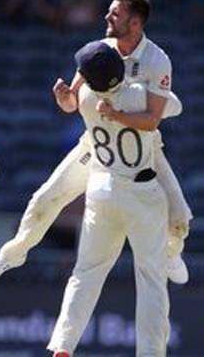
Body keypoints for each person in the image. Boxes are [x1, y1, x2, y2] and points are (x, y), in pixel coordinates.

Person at [0, 0, 192, 284]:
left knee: (180, 214)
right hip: (96, 145)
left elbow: (154, 118)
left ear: (135, 23)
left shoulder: (157, 60)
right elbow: (72, 103)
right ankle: (11, 255)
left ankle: (172, 254)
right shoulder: (99, 51)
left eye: (115, 13)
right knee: (47, 196)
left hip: (145, 150)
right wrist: (65, 98)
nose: (107, 16)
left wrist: (125, 109)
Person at [48, 40, 170, 356]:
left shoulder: (87, 100)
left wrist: (71, 98)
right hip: (141, 190)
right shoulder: (139, 95)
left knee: (85, 273)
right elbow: (168, 109)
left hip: (102, 189)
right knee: (151, 279)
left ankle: (63, 345)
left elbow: (81, 91)